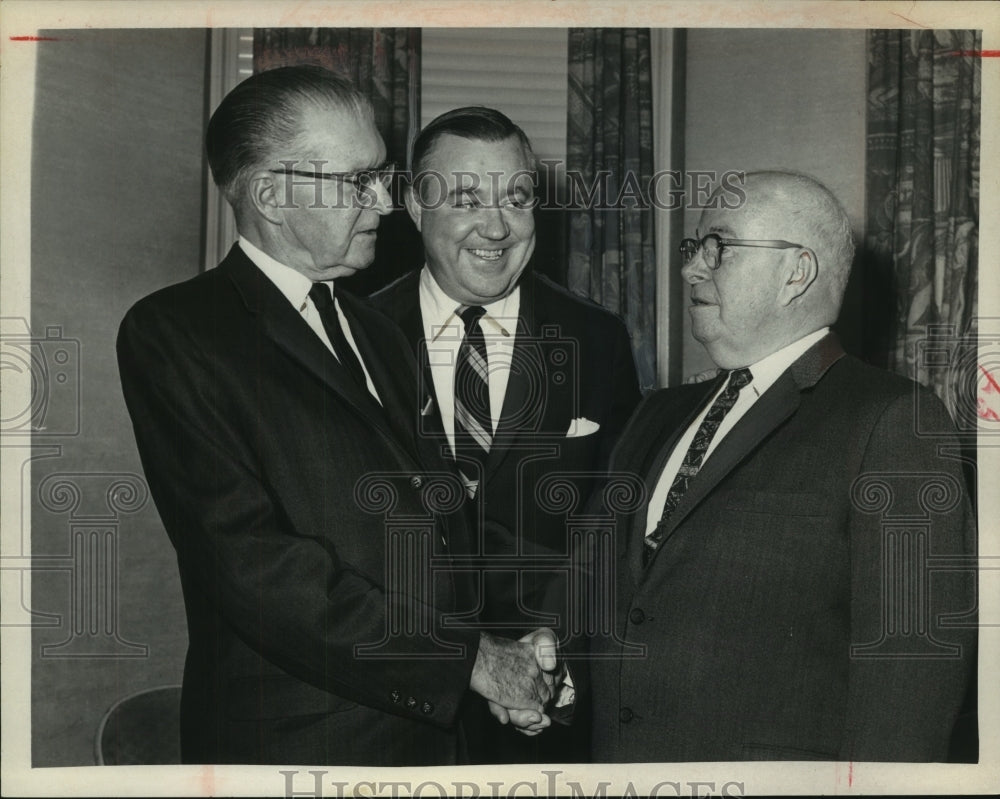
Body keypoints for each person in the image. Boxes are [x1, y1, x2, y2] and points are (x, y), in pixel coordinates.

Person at [117, 66, 560, 766]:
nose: (384, 204)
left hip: (436, 740)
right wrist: (467, 662)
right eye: (357, 182)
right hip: (300, 748)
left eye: (381, 177)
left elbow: (438, 524)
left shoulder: (376, 327)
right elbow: (257, 567)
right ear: (270, 194)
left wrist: (531, 635)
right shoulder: (178, 333)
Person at [590, 171, 976, 762]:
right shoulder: (656, 414)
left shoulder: (892, 421)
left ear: (796, 272)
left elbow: (909, 683)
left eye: (719, 246)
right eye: (695, 247)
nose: (693, 267)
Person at [370, 107, 642, 761]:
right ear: (414, 204)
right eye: (466, 198)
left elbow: (616, 520)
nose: (496, 226)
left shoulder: (595, 339)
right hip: (392, 708)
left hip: (550, 713)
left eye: (517, 198)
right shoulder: (356, 337)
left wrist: (556, 649)